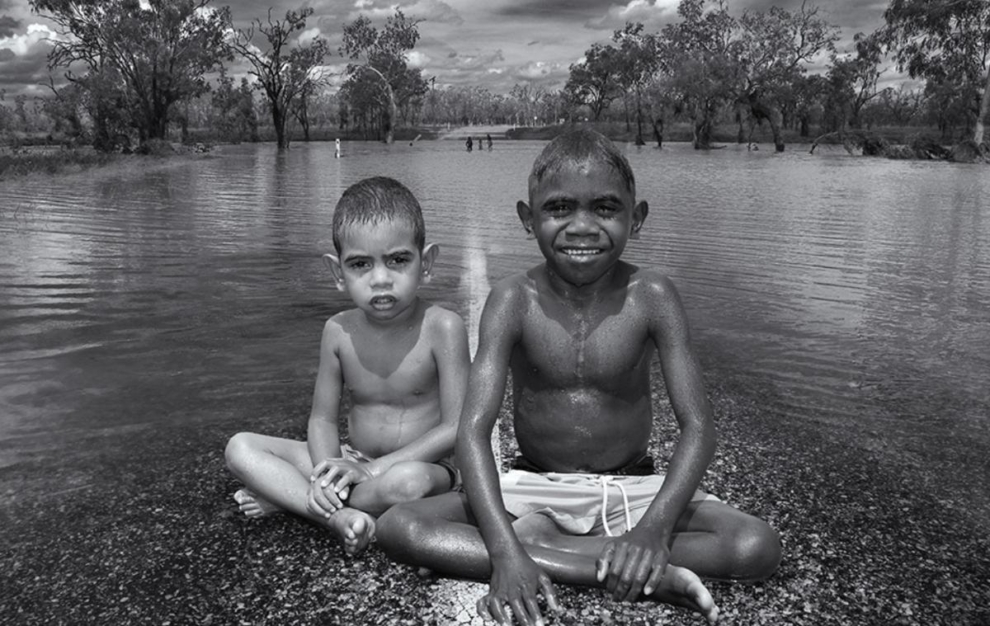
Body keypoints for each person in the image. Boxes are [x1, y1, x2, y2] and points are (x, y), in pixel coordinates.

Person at [377, 130, 781, 625]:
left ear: (638, 218)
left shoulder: (652, 295)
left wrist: (653, 532)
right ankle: (600, 564)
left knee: (753, 546)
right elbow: (473, 430)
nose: (582, 227)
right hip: (535, 485)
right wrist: (504, 552)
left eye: (606, 209)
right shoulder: (511, 300)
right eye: (560, 208)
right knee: (401, 526)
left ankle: (549, 553)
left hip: (633, 488)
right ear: (529, 219)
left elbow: (698, 427)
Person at [225, 176, 470, 557]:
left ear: (427, 263)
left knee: (406, 484)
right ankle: (333, 513)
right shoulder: (337, 331)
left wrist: (375, 470)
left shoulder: (443, 328)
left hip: (425, 466)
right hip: (352, 461)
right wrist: (326, 473)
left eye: (398, 260)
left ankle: (298, 501)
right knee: (240, 448)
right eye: (360, 264)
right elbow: (322, 421)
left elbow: (457, 427)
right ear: (338, 272)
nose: (381, 279)